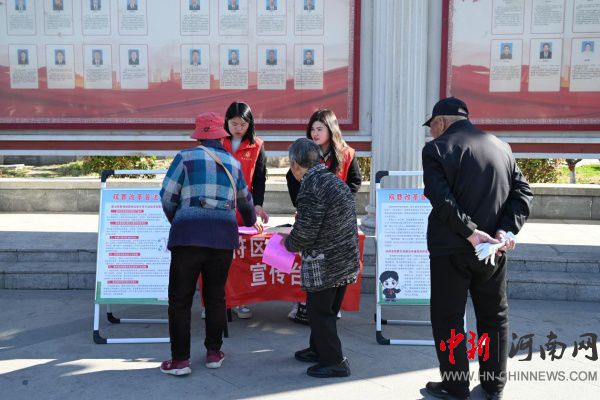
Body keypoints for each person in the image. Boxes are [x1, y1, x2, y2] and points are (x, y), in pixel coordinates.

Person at [421, 97, 533, 400]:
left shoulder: (436, 149)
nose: (432, 132)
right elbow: (523, 193)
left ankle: (455, 386)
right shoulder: (501, 147)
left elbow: (441, 198)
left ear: (440, 122)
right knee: (494, 316)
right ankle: (494, 386)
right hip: (493, 250)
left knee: (448, 318)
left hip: (451, 249)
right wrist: (504, 230)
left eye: (431, 126)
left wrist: (470, 233)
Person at [159, 112, 258, 377]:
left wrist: (179, 220)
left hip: (188, 238)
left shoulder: (184, 158)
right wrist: (251, 221)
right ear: (221, 134)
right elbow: (246, 201)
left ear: (199, 135)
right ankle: (214, 353)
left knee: (180, 300)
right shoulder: (233, 163)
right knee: (215, 297)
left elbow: (167, 196)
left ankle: (180, 361)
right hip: (222, 239)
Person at [284, 138, 359, 378]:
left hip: (326, 262)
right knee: (327, 310)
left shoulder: (311, 186)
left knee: (319, 313)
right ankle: (318, 349)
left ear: (295, 164)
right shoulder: (332, 180)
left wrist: (287, 243)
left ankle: (335, 361)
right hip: (344, 259)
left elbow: (305, 233)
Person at [286, 109, 362, 324]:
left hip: (331, 236)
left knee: (322, 315)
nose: (315, 133)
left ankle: (326, 338)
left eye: (320, 128)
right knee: (322, 314)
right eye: (312, 129)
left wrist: (288, 243)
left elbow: (355, 182)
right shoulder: (308, 158)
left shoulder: (345, 155)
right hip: (323, 231)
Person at [216, 101, 269, 320]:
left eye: (243, 124)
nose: (239, 128)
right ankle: (216, 302)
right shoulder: (218, 142)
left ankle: (241, 301)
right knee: (217, 257)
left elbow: (260, 179)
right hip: (219, 209)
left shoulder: (257, 145)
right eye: (234, 123)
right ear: (226, 122)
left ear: (250, 124)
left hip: (244, 210)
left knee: (243, 258)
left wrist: (257, 205)